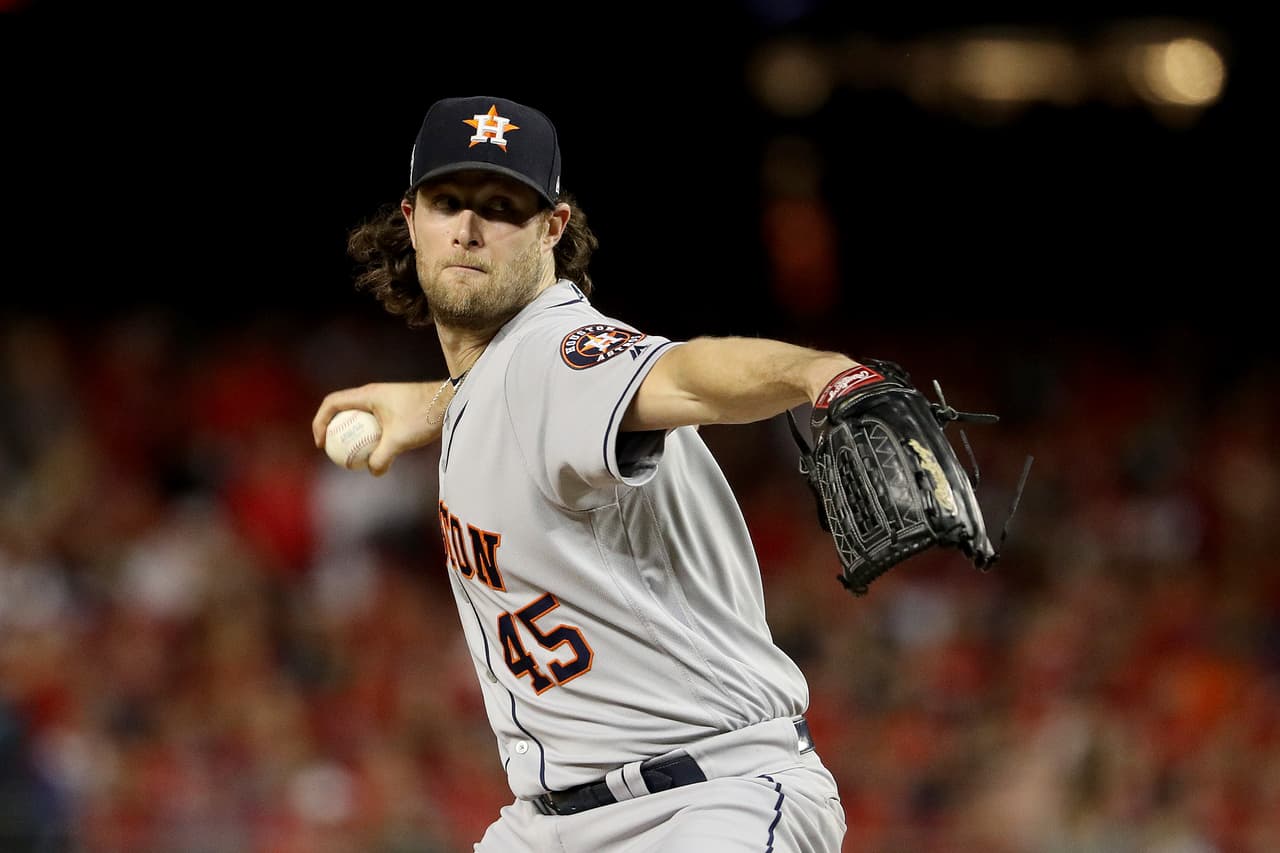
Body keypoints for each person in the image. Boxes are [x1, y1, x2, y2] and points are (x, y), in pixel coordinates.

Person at [312, 95, 859, 852]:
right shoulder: (498, 383)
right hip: (551, 824)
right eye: (448, 202)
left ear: (552, 229)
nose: (469, 228)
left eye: (502, 207)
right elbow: (510, 395)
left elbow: (686, 375)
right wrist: (437, 404)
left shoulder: (562, 350)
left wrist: (818, 372)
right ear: (411, 221)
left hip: (707, 804)